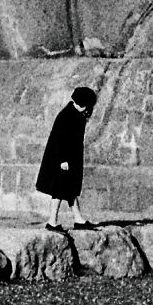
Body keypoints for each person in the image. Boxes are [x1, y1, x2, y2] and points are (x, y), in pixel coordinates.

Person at [36, 86, 97, 228]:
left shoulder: (75, 114)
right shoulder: (67, 116)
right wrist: (63, 160)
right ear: (82, 104)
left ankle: (78, 219)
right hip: (63, 160)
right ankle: (52, 222)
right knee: (59, 190)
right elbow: (60, 140)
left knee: (70, 189)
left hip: (70, 159)